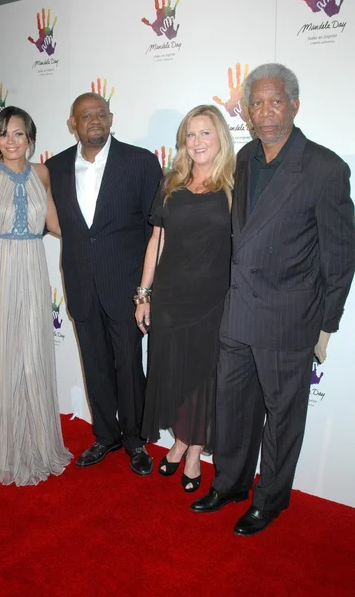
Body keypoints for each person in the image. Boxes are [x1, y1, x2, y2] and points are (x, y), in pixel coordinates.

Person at [191, 63, 355, 534]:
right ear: (246, 110)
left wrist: (326, 324)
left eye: (275, 101)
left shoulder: (325, 168)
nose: (265, 112)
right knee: (233, 407)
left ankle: (270, 498)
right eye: (257, 103)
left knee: (282, 418)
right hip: (239, 311)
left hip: (289, 317)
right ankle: (231, 483)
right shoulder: (243, 158)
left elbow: (340, 257)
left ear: (295, 106)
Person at [45, 93, 163, 475]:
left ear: (110, 119)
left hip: (126, 286)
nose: (93, 120)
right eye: (85, 115)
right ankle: (106, 435)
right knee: (94, 363)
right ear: (73, 124)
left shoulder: (140, 161)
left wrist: (147, 288)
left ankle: (135, 439)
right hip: (80, 282)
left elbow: (157, 230)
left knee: (129, 365)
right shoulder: (57, 167)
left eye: (100, 113)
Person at [0, 106, 72, 486]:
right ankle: (0, 448)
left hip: (32, 270)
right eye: (4, 133)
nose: (10, 141)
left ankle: (34, 442)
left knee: (32, 354)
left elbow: (54, 224)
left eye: (18, 133)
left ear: (31, 139)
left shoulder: (42, 173)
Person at [137, 105, 235, 492]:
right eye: (190, 135)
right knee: (174, 373)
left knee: (203, 377)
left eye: (205, 133)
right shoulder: (171, 182)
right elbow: (156, 240)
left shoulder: (233, 184)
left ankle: (193, 449)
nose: (197, 142)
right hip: (170, 298)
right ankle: (178, 439)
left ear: (220, 137)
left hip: (213, 299)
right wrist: (143, 295)